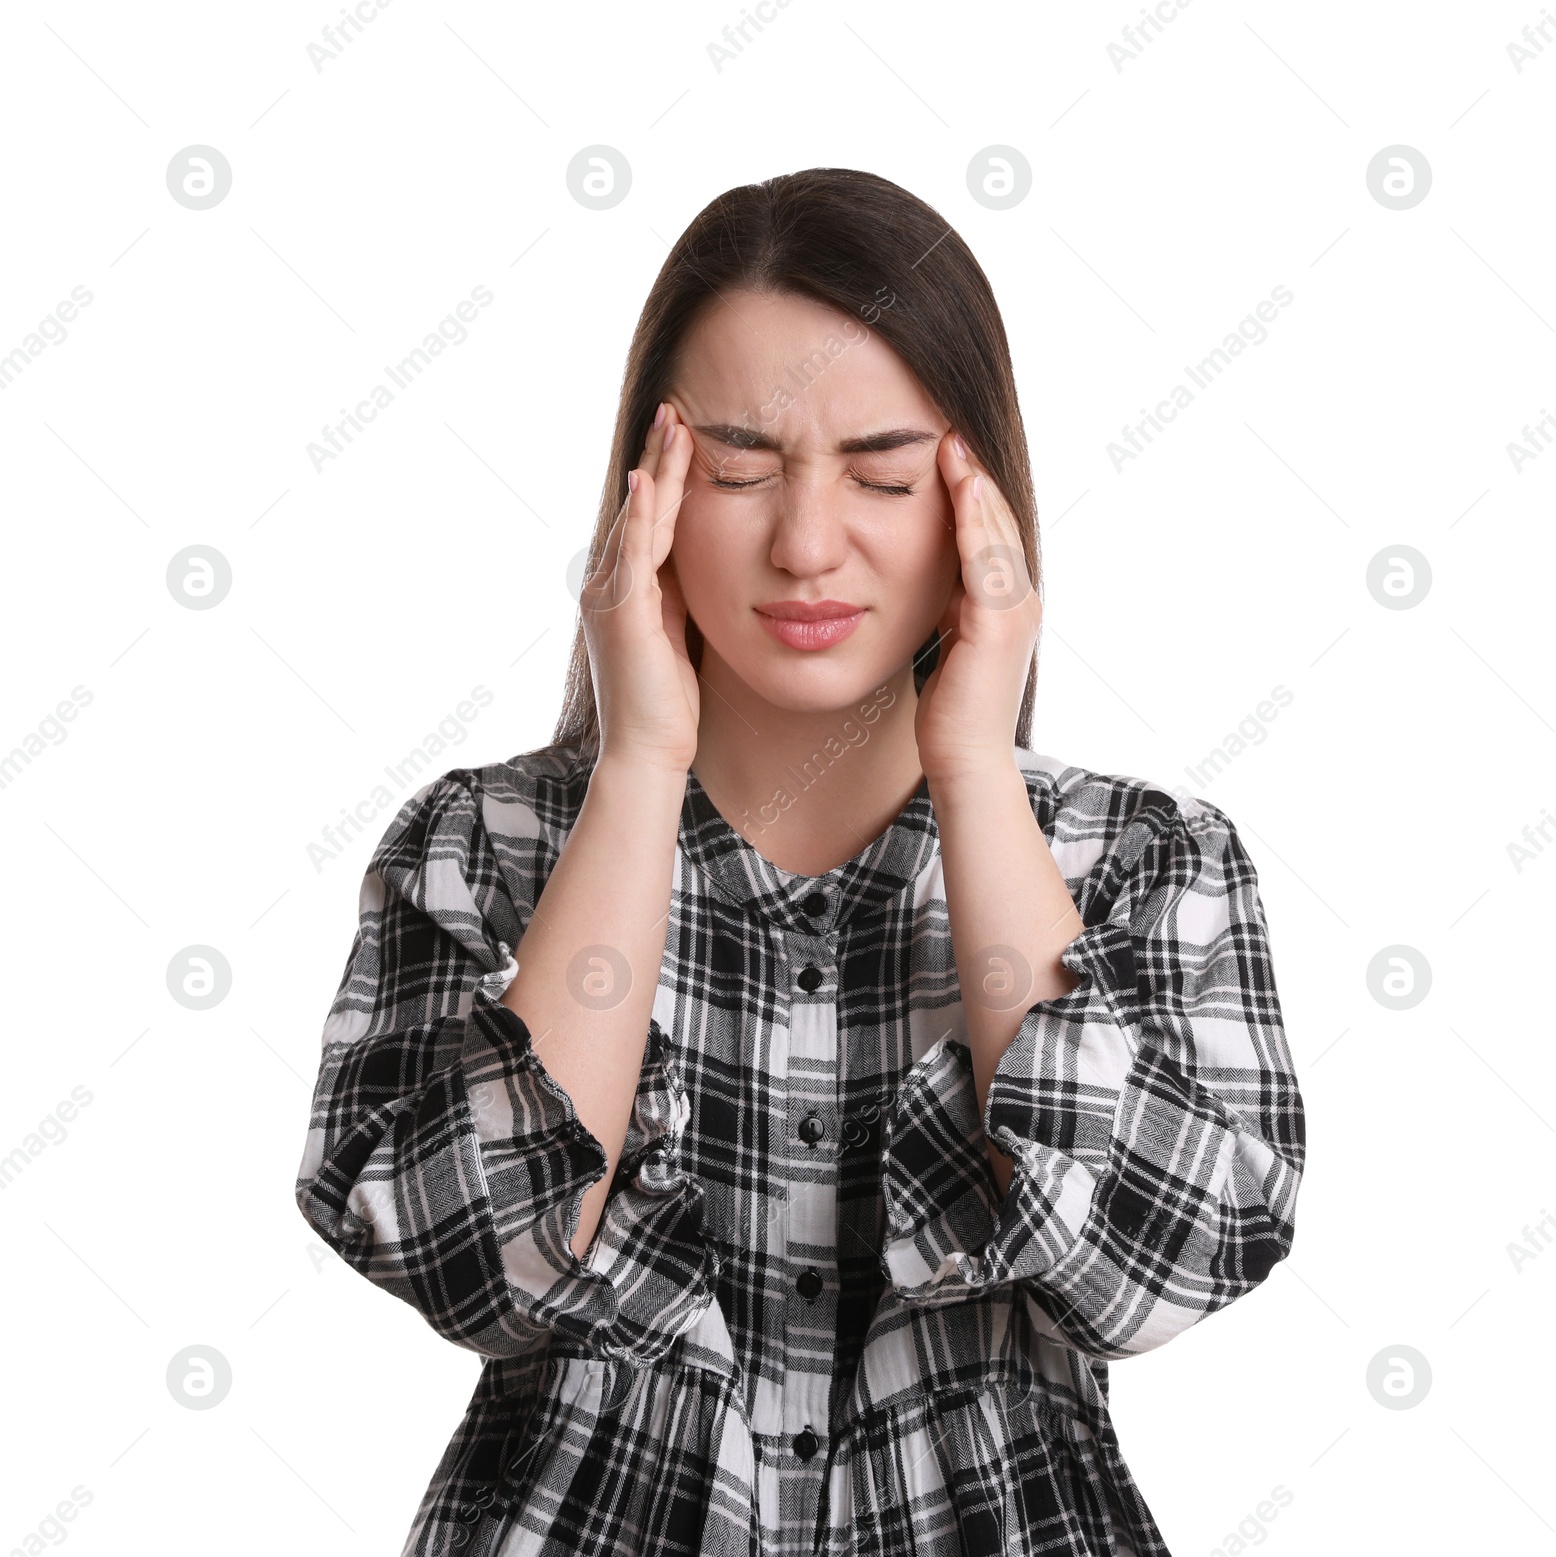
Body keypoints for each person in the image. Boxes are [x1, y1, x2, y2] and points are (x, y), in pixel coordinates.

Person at [295, 167, 1307, 1557]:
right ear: (646, 491)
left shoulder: (1141, 862)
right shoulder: (482, 848)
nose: (808, 542)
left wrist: (972, 766)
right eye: (739, 470)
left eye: (885, 474)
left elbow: (1158, 1269)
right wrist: (641, 763)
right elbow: (478, 1266)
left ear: (979, 500)